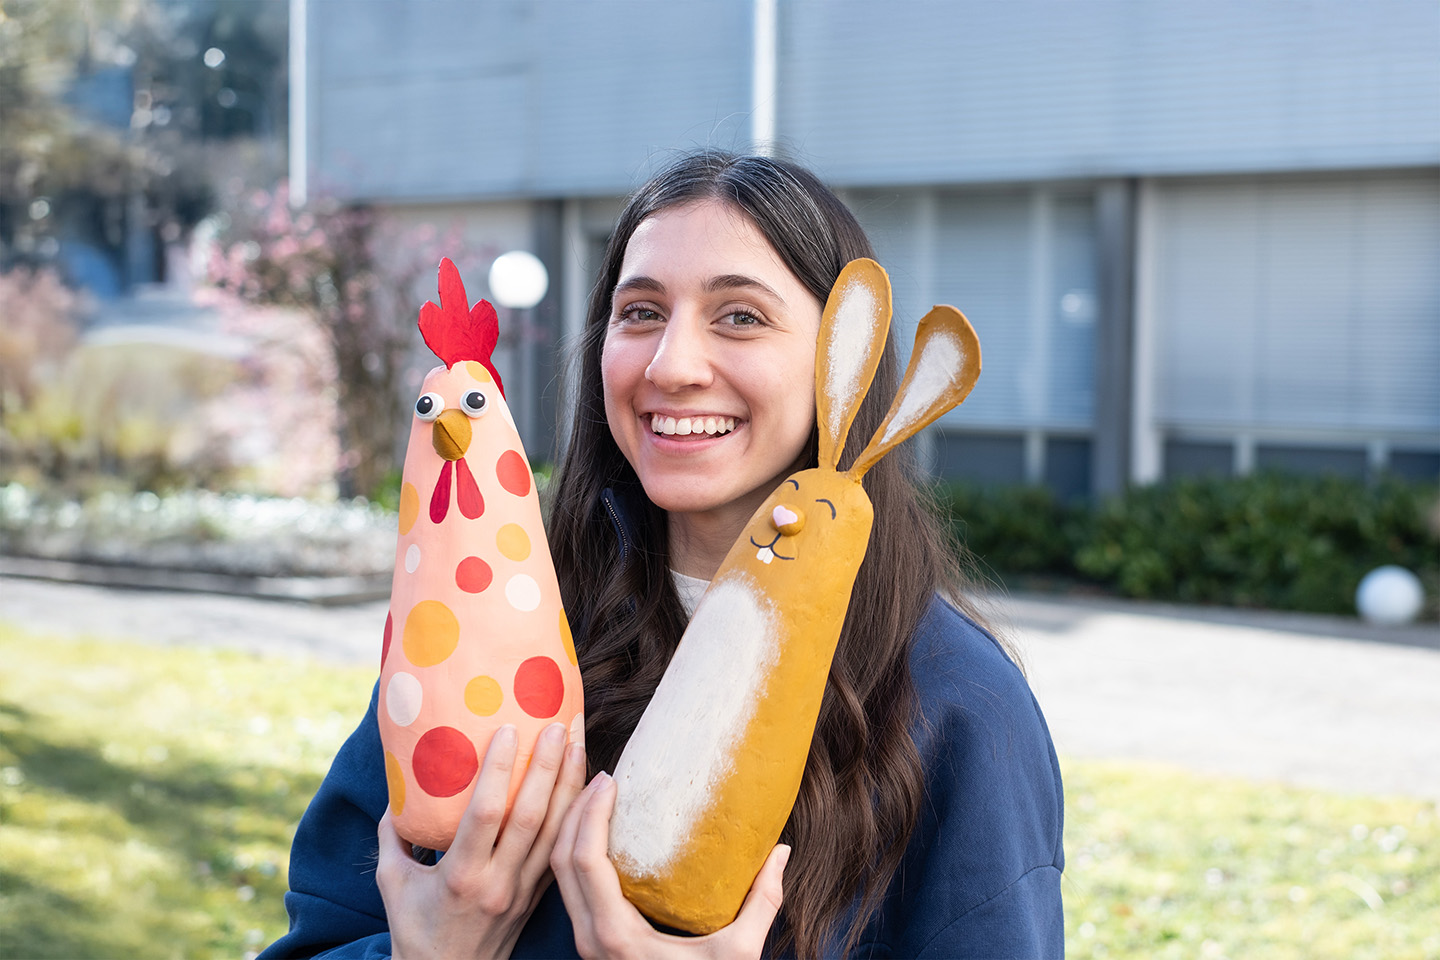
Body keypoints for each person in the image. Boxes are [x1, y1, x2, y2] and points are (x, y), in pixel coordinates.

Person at [261, 151, 1064, 960]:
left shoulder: (957, 707)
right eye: (640, 311)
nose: (671, 366)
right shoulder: (496, 636)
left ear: (838, 362)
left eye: (740, 316)